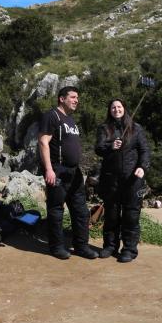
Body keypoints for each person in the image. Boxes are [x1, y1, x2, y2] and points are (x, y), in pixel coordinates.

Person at [38, 86, 97, 260]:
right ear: (62, 99)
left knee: (81, 210)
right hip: (58, 170)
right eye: (72, 97)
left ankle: (81, 246)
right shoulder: (52, 116)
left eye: (77, 97)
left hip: (75, 172)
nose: (76, 100)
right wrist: (49, 169)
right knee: (56, 210)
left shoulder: (70, 120)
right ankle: (57, 247)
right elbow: (43, 142)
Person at [94, 99, 151, 263]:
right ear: (109, 110)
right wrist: (111, 146)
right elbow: (98, 149)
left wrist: (142, 167)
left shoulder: (136, 128)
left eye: (119, 107)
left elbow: (145, 151)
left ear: (124, 109)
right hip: (110, 179)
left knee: (131, 215)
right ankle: (110, 246)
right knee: (111, 215)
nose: (116, 109)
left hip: (132, 180)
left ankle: (129, 250)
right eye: (113, 107)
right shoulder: (104, 128)